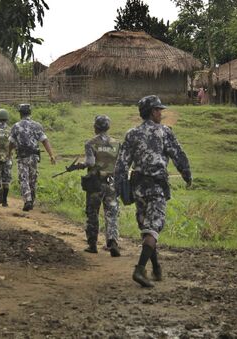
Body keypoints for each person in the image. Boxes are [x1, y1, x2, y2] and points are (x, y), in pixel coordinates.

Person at [114, 95, 192, 288]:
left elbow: (122, 163)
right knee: (154, 227)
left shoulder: (132, 134)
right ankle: (140, 269)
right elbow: (178, 154)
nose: (160, 113)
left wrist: (120, 186)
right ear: (151, 111)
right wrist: (186, 173)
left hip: (138, 187)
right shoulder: (164, 132)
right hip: (156, 186)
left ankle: (156, 268)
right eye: (158, 110)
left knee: (146, 228)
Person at [68, 115, 121, 256]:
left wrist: (80, 165)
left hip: (96, 183)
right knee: (112, 213)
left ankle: (92, 244)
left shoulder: (90, 143)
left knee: (93, 213)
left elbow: (90, 163)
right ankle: (113, 242)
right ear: (108, 127)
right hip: (111, 182)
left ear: (96, 127)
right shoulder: (116, 143)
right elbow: (119, 163)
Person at [8, 104, 56, 211]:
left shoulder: (16, 126)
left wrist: (9, 153)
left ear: (20, 113)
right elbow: (45, 141)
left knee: (23, 177)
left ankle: (28, 200)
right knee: (33, 178)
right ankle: (32, 199)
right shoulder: (37, 125)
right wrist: (51, 155)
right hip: (34, 156)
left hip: (22, 156)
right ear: (30, 113)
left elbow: (11, 142)